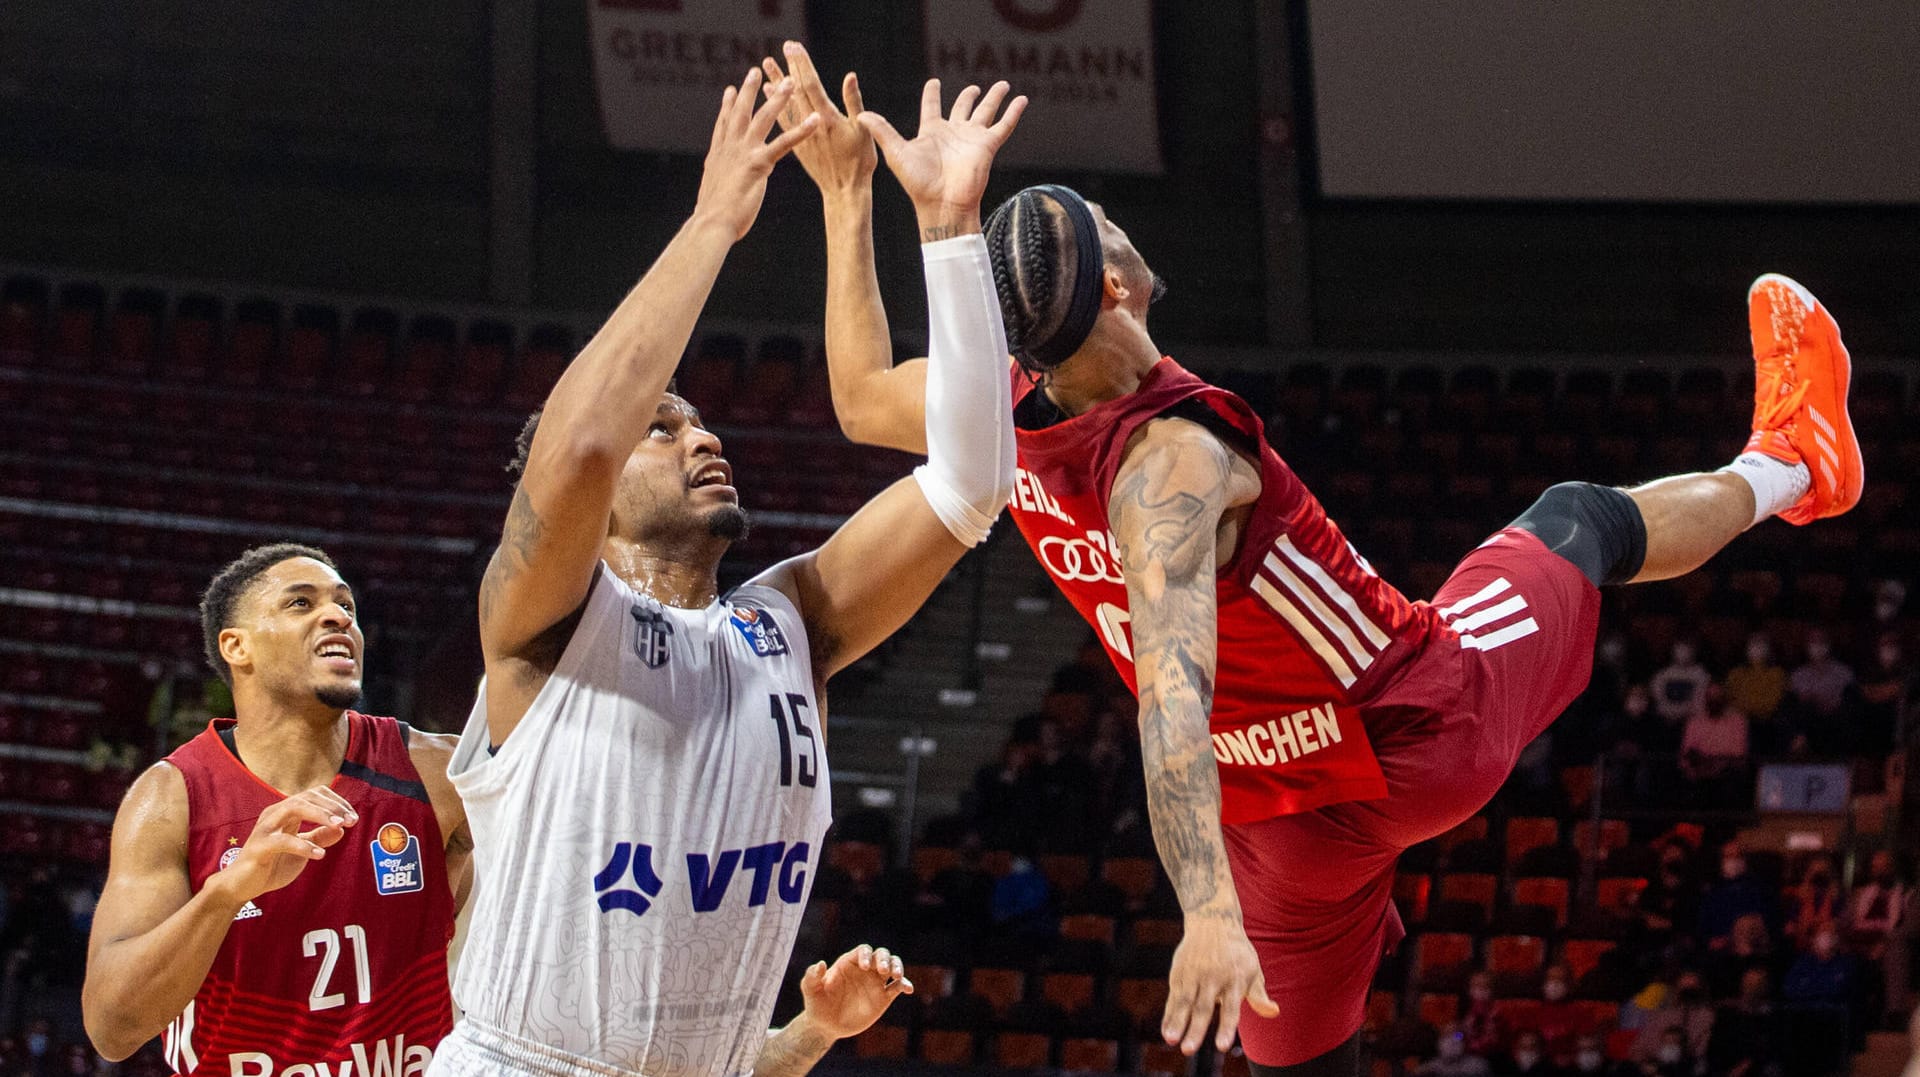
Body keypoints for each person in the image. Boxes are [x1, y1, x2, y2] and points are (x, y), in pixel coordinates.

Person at [799, 35, 1868, 1066]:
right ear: (1114, 287)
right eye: (1113, 224)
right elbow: (1168, 690)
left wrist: (849, 201)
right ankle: (1796, 459)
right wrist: (1206, 912)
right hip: (1411, 725)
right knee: (1577, 519)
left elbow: (855, 398)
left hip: (1279, 821)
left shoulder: (997, 421)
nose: (1127, 228)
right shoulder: (1170, 461)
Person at [430, 63, 1025, 1077]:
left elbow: (974, 480)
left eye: (701, 421)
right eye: (662, 429)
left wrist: (942, 223)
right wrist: (714, 222)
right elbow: (575, 451)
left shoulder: (796, 616)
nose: (701, 437)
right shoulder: (544, 618)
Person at [81, 544, 472, 1072]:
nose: (337, 616)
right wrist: (227, 891)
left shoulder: (437, 773)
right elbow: (112, 1030)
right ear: (237, 647)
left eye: (345, 606)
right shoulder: (172, 799)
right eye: (300, 604)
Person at [1650, 641, 1712, 727]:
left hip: (1693, 721)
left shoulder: (1701, 674)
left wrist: (1685, 714)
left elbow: (1699, 702)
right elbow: (1660, 701)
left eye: (1686, 650)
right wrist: (1671, 714)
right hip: (1666, 720)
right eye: (1680, 649)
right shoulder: (1662, 675)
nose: (1683, 654)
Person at [1418, 1024, 1491, 1077]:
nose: (1452, 1041)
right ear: (1439, 1042)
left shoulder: (1478, 1066)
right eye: (1446, 1036)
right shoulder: (1431, 1067)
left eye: (1457, 1036)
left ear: (1465, 1042)